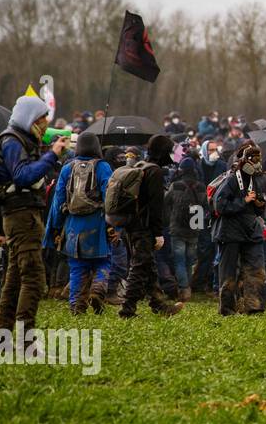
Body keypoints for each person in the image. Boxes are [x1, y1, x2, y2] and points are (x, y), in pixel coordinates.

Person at [0, 95, 69, 333]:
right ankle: (26, 338)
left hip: (25, 214)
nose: (45, 124)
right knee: (35, 279)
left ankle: (3, 336)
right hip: (20, 215)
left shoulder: (21, 141)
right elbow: (22, 176)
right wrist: (52, 156)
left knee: (15, 278)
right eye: (42, 119)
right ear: (31, 119)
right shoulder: (12, 142)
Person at [212, 142, 266, 316]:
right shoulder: (231, 179)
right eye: (254, 160)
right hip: (229, 231)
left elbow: (259, 208)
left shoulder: (257, 180)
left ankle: (255, 306)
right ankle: (227, 309)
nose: (257, 164)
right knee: (228, 273)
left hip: (251, 230)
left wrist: (259, 204)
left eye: (259, 160)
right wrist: (243, 202)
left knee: (256, 269)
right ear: (245, 161)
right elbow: (220, 205)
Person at [42, 131, 112, 315]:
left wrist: (56, 228)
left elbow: (58, 201)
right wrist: (114, 224)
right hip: (98, 223)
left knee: (77, 267)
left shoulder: (67, 168)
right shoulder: (103, 167)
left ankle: (77, 306)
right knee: (103, 261)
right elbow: (110, 198)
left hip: (73, 225)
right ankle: (97, 290)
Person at [117, 134, 184, 319]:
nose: (171, 155)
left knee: (149, 266)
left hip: (130, 226)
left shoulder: (140, 166)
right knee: (139, 268)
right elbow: (155, 207)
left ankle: (158, 304)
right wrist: (158, 233)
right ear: (162, 152)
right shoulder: (155, 172)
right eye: (169, 151)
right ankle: (127, 309)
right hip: (143, 228)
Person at [163, 156, 206, 299]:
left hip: (177, 227)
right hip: (195, 226)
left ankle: (184, 288)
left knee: (179, 260)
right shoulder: (201, 186)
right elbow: (206, 206)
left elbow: (166, 202)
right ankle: (188, 285)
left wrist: (170, 217)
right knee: (190, 260)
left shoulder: (176, 186)